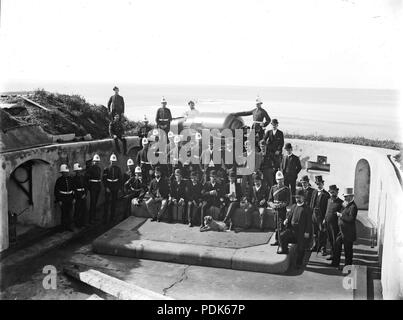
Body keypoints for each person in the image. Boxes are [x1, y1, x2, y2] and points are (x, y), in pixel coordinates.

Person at [278, 188, 312, 269]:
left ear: (303, 197)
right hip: (292, 230)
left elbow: (309, 222)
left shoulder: (307, 209)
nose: (297, 199)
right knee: (282, 235)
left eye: (299, 197)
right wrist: (286, 220)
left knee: (301, 248)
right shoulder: (293, 206)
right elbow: (289, 215)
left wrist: (307, 232)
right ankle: (284, 250)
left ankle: (299, 263)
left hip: (301, 232)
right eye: (296, 197)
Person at [332, 187, 357, 268]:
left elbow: (351, 219)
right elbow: (340, 209)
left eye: (346, 197)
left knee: (348, 250)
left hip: (348, 232)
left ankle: (347, 267)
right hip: (341, 231)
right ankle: (335, 263)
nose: (344, 198)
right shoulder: (346, 204)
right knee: (337, 246)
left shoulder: (353, 207)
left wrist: (341, 215)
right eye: (344, 197)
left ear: (351, 197)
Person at [268, 171, 291, 249]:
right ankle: (277, 240)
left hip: (282, 210)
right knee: (276, 226)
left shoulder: (286, 189)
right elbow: (269, 200)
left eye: (281, 179)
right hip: (275, 210)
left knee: (281, 226)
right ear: (276, 180)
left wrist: (281, 205)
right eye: (278, 180)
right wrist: (273, 205)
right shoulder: (273, 188)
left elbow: (288, 201)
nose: (279, 181)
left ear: (283, 179)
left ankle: (282, 242)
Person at [309, 175, 330, 255]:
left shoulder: (326, 194)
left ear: (323, 183)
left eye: (320, 183)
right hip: (314, 214)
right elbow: (311, 203)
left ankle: (323, 248)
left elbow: (327, 208)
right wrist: (311, 214)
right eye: (317, 184)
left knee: (322, 231)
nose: (318, 185)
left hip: (321, 215)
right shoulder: (314, 192)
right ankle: (315, 245)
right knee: (314, 231)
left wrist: (325, 218)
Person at [324, 185, 343, 262]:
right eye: (331, 192)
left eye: (333, 192)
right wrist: (324, 219)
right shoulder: (328, 200)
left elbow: (341, 215)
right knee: (330, 241)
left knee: (336, 242)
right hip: (328, 224)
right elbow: (327, 211)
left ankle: (336, 259)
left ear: (337, 192)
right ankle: (332, 255)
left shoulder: (341, 202)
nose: (332, 194)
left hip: (335, 226)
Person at [54, 164, 75, 231]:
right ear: (62, 173)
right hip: (63, 198)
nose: (66, 173)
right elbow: (56, 191)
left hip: (70, 197)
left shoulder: (70, 179)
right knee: (64, 214)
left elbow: (73, 189)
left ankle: (69, 226)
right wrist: (59, 200)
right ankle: (63, 227)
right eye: (64, 172)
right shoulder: (59, 180)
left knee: (70, 213)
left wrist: (73, 198)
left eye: (67, 172)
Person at [102, 153, 122, 224]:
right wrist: (106, 187)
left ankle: (112, 217)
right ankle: (105, 218)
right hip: (109, 186)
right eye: (112, 161)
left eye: (114, 161)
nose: (113, 162)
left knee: (114, 202)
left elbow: (120, 179)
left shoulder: (118, 169)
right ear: (110, 161)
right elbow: (104, 179)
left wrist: (119, 187)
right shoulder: (106, 169)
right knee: (106, 203)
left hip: (115, 186)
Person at [86, 154, 102, 224]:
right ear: (93, 161)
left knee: (95, 202)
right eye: (95, 161)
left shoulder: (99, 168)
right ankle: (90, 219)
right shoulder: (90, 169)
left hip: (98, 186)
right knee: (92, 203)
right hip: (93, 187)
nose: (96, 162)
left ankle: (94, 217)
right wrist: (89, 187)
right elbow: (87, 179)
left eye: (97, 161)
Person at [72, 163, 88, 227]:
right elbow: (74, 188)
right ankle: (77, 223)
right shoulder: (74, 179)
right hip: (78, 196)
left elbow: (85, 186)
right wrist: (80, 195)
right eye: (78, 171)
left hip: (83, 195)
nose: (79, 172)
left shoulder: (83, 177)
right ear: (76, 171)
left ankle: (83, 222)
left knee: (84, 209)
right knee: (77, 210)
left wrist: (85, 194)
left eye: (80, 170)